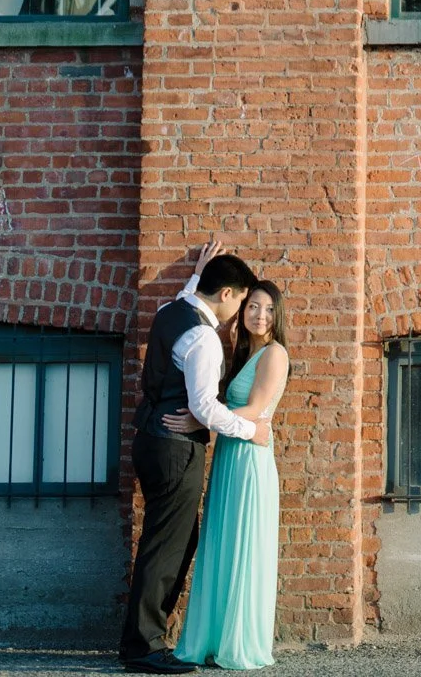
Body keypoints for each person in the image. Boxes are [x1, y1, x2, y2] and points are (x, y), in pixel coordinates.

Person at [119, 246, 268, 674]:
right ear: (226, 293)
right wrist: (251, 430)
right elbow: (203, 407)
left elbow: (188, 298)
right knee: (168, 547)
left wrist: (197, 273)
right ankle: (144, 646)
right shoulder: (203, 336)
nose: (240, 311)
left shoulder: (173, 310)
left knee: (169, 542)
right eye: (241, 300)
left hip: (151, 439)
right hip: (174, 449)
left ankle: (140, 641)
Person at [168, 265, 290, 669]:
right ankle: (211, 637)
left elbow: (255, 411)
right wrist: (197, 274)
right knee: (222, 545)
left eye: (268, 309)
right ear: (241, 308)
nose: (259, 315)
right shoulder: (242, 352)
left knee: (242, 547)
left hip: (251, 461)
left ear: (278, 316)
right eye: (253, 306)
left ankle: (238, 643)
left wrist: (200, 418)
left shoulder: (275, 354)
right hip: (229, 458)